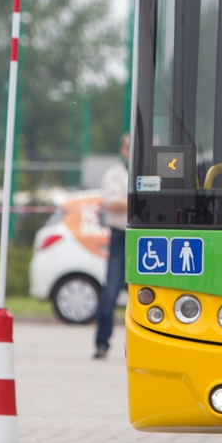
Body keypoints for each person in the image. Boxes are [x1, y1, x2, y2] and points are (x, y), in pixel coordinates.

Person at [93, 134, 129, 359]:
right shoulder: (113, 174)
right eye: (128, 147)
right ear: (122, 150)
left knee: (144, 295)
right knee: (110, 293)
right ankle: (101, 343)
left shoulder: (153, 170)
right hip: (119, 238)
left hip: (146, 240)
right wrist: (140, 197)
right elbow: (112, 204)